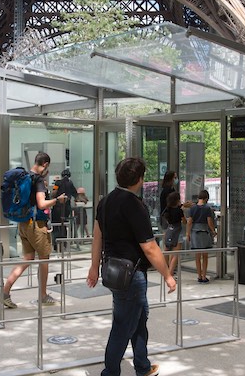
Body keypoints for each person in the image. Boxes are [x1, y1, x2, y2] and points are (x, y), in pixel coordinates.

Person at [86, 157, 175, 376]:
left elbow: (97, 236)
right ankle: (110, 372)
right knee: (123, 325)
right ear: (138, 179)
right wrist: (167, 275)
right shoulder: (134, 205)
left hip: (113, 271)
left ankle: (142, 366)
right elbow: (150, 247)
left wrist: (94, 266)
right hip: (131, 274)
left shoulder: (105, 201)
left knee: (139, 318)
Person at [0, 152, 68, 308]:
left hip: (23, 223)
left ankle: (5, 291)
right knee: (44, 259)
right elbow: (42, 204)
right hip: (36, 225)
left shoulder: (25, 177)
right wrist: (57, 200)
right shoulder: (38, 180)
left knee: (28, 258)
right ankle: (43, 295)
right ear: (46, 164)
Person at [186, 190, 217, 283]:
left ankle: (199, 275)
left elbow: (189, 221)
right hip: (204, 232)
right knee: (205, 255)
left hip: (195, 232)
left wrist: (187, 233)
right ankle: (204, 276)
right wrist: (213, 231)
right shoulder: (207, 208)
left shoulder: (193, 208)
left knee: (197, 256)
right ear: (206, 198)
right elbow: (209, 222)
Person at [51, 169, 77, 245]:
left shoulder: (57, 183)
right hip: (67, 208)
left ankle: (55, 244)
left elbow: (53, 193)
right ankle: (64, 243)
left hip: (57, 207)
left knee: (56, 225)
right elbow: (75, 195)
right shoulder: (70, 184)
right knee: (64, 224)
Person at [162, 192, 185, 274]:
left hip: (169, 230)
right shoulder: (179, 211)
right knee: (176, 253)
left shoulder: (167, 210)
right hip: (178, 231)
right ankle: (170, 272)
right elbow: (184, 221)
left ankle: (165, 270)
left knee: (166, 250)